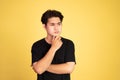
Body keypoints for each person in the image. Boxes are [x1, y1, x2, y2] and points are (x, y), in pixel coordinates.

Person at [31, 9, 76, 80]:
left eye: (59, 24)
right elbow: (39, 70)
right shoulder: (37, 45)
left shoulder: (68, 44)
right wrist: (53, 48)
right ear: (44, 26)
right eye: (52, 24)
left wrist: (42, 66)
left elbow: (69, 68)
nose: (56, 28)